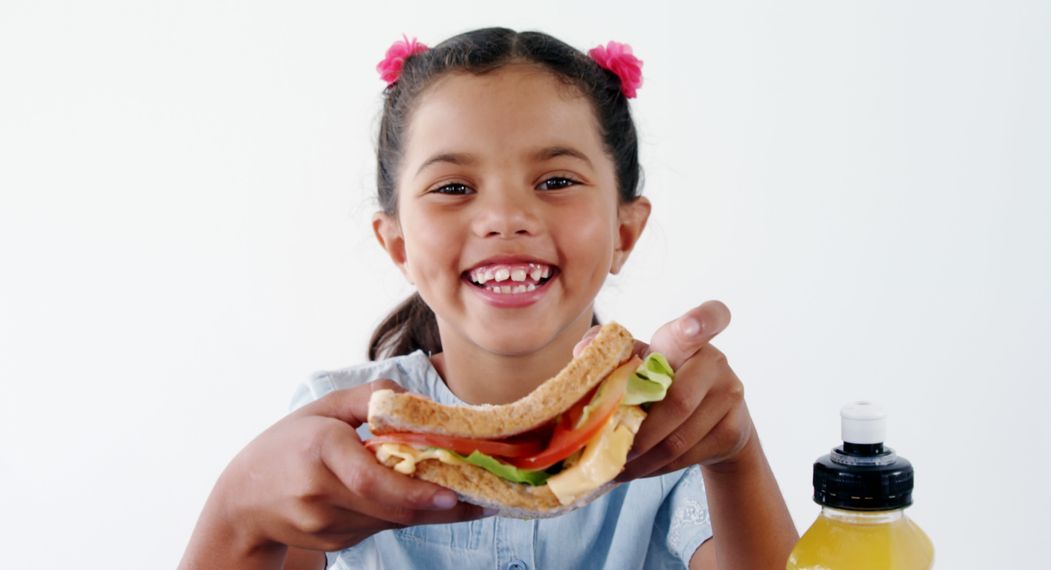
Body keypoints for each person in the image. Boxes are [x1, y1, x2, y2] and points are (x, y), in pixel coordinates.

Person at [181, 27, 797, 569]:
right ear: (396, 245)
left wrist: (736, 458)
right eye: (453, 186)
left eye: (556, 180)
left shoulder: (670, 432)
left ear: (624, 232)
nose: (505, 217)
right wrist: (238, 512)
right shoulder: (337, 431)